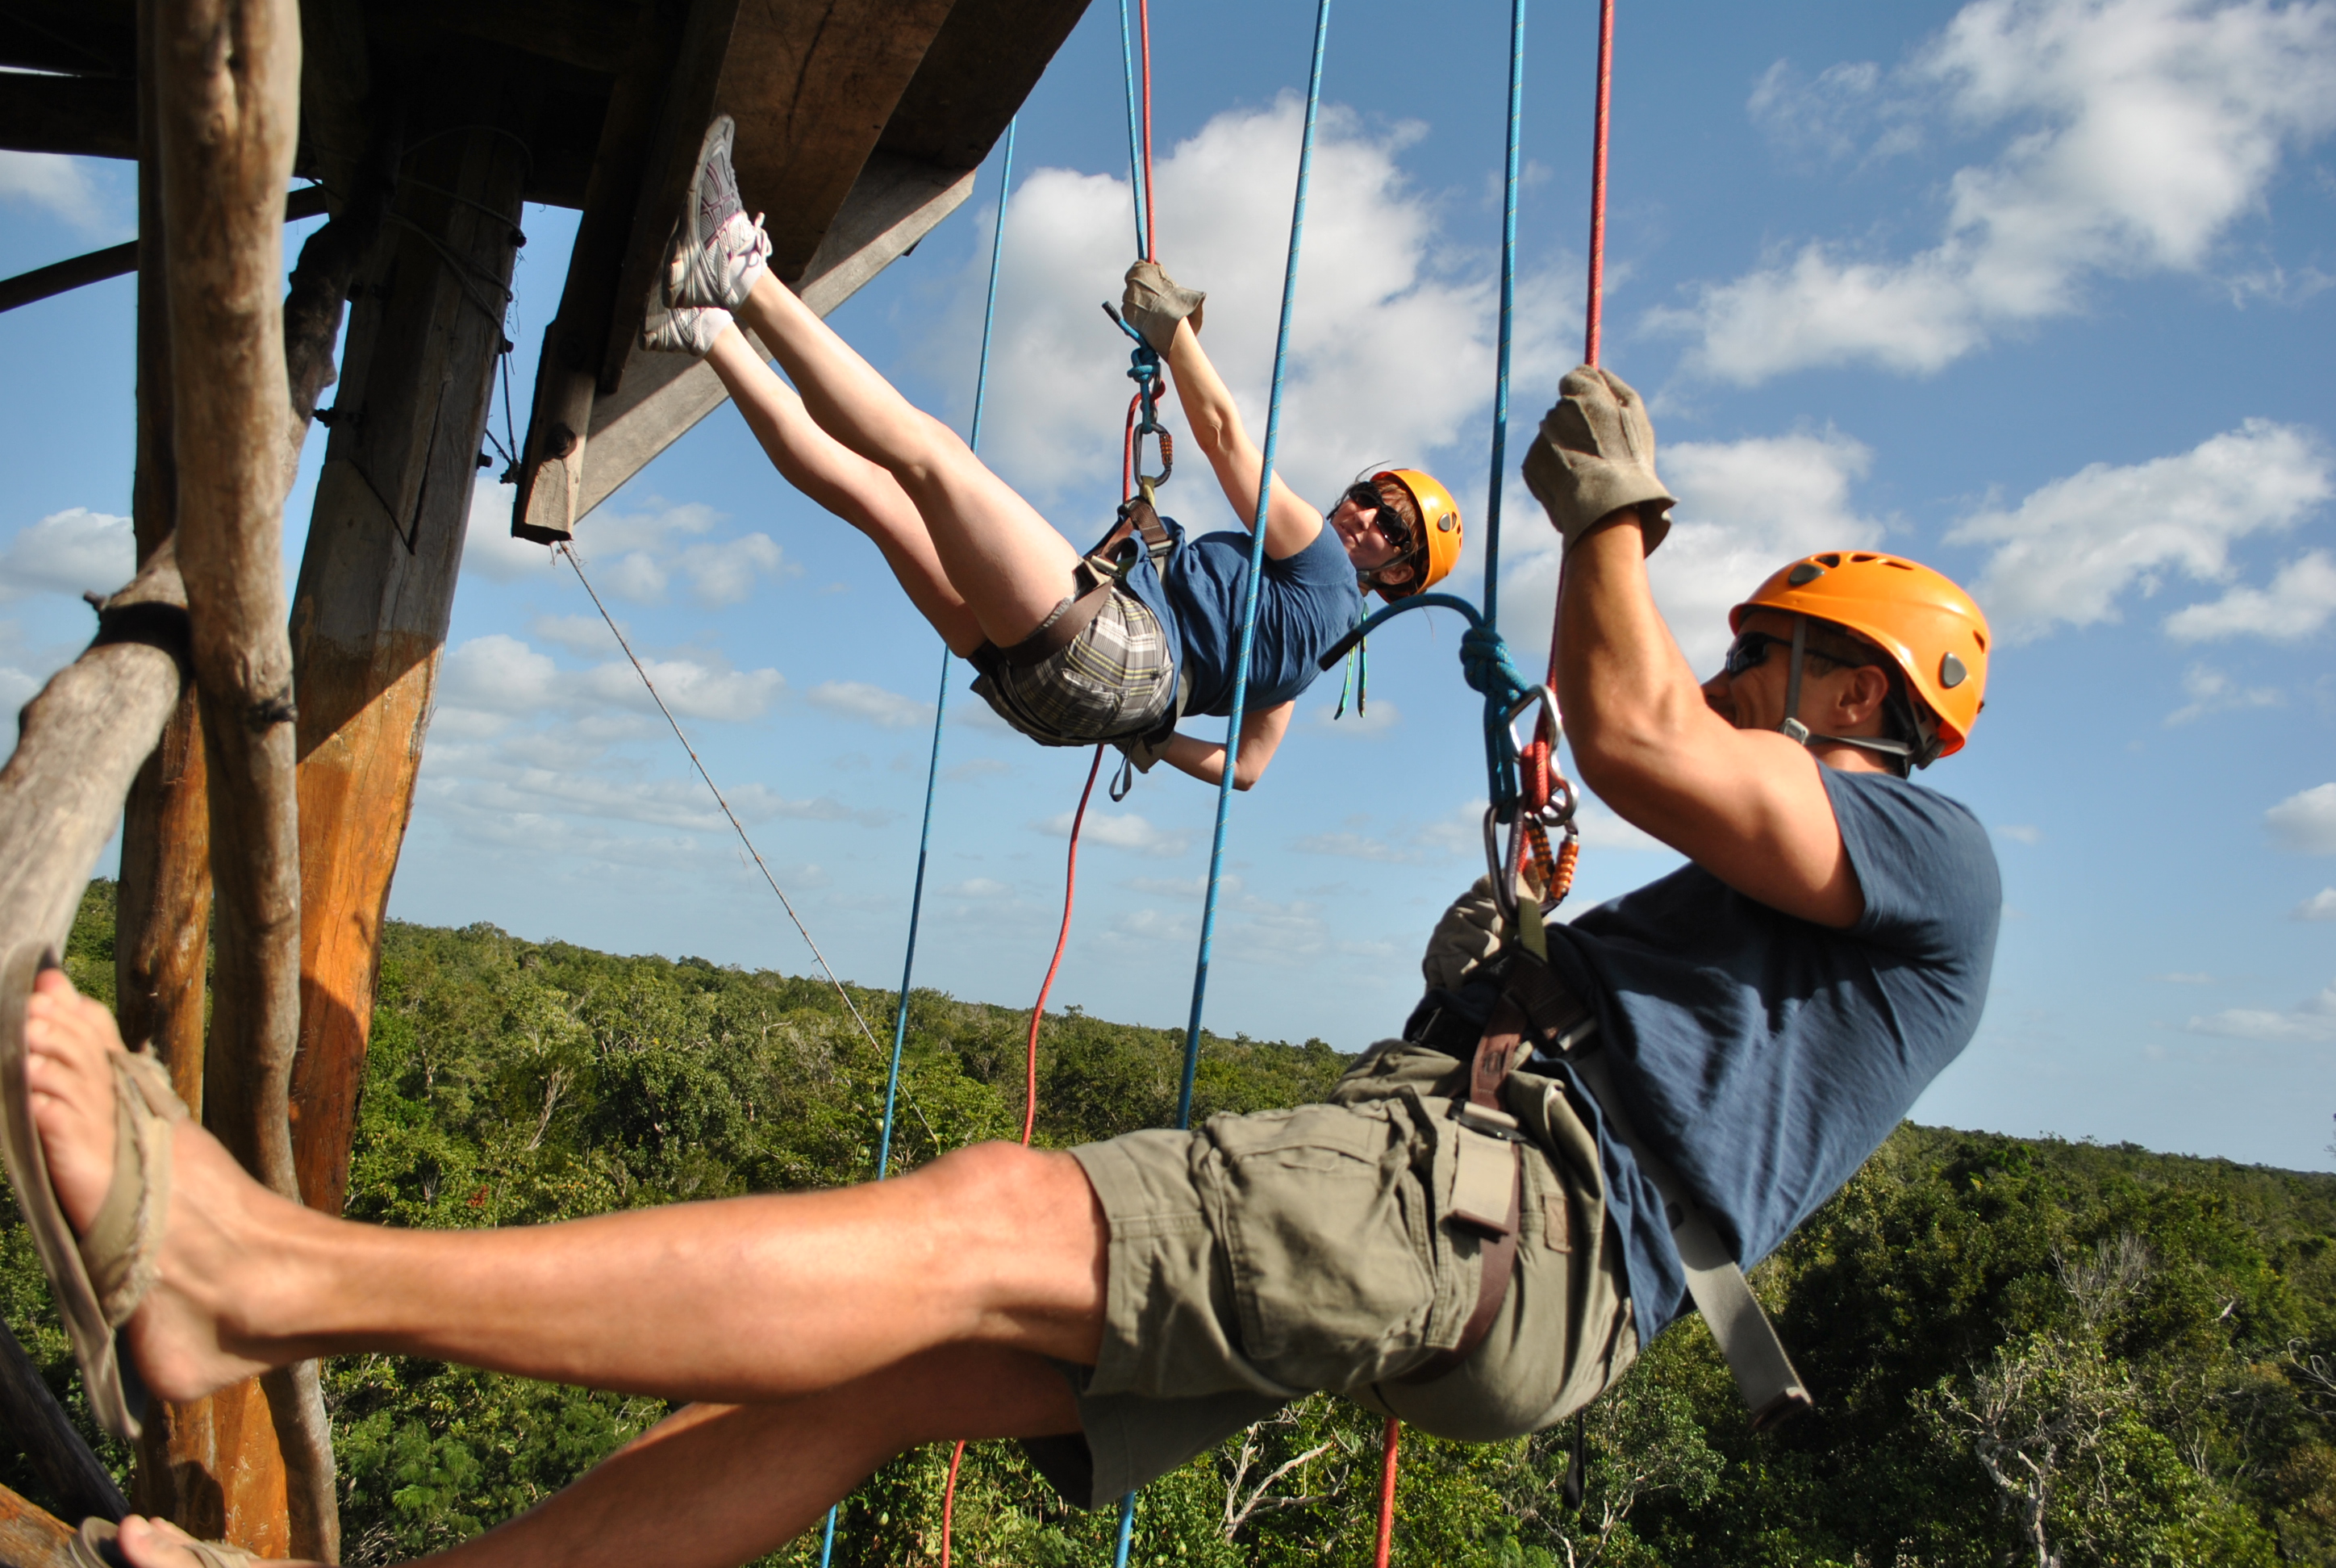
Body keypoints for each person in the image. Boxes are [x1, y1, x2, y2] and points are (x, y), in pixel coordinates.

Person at [2, 365, 1999, 1568]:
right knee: (871, 1376)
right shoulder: (1807, 912)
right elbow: (1531, 662)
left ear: (1863, 692)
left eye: (1769, 652)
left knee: (971, 1219)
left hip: (1493, 1211)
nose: (1733, 674)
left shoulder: (1926, 852)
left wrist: (1618, 515)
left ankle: (262, 1281)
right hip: (1495, 1234)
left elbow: (1630, 719)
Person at [642, 118, 1462, 789]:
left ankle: (738, 276)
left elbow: (1222, 435)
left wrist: (1171, 334)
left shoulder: (1320, 567)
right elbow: (1246, 770)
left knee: (933, 459)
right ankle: (706, 330)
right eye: (1372, 497)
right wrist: (1144, 736)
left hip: (1108, 656)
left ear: (1394, 578)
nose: (1367, 520)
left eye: (1395, 532)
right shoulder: (1313, 656)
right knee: (879, 501)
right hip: (1063, 701)